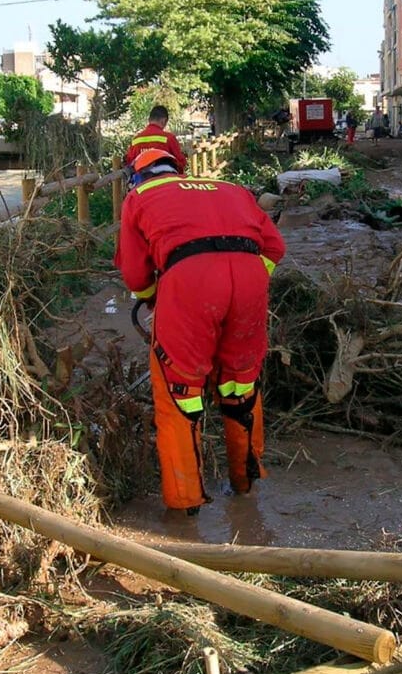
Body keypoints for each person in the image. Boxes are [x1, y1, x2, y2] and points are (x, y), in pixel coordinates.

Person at [115, 148, 286, 515]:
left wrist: (156, 296)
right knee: (240, 382)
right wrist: (248, 280)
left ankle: (186, 502)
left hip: (190, 282)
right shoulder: (231, 188)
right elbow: (275, 247)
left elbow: (134, 273)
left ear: (136, 176)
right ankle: (244, 482)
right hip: (250, 280)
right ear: (179, 170)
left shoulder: (139, 196)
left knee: (180, 389)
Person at [125, 105, 187, 175]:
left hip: (142, 181)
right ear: (164, 121)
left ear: (149, 120)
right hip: (164, 180)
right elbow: (180, 163)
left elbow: (130, 163)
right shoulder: (169, 138)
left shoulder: (136, 140)